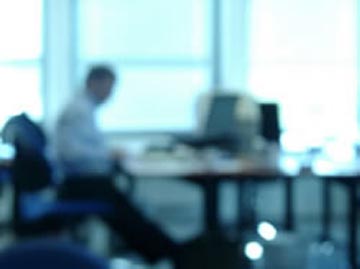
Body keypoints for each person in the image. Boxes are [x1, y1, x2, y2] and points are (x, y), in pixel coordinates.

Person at [53, 65, 181, 266]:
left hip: (87, 180)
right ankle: (171, 253)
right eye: (108, 88)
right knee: (128, 215)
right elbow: (69, 153)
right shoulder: (78, 109)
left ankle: (166, 251)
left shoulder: (84, 106)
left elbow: (84, 146)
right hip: (81, 183)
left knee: (130, 211)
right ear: (93, 82)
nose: (110, 94)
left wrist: (108, 154)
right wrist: (107, 154)